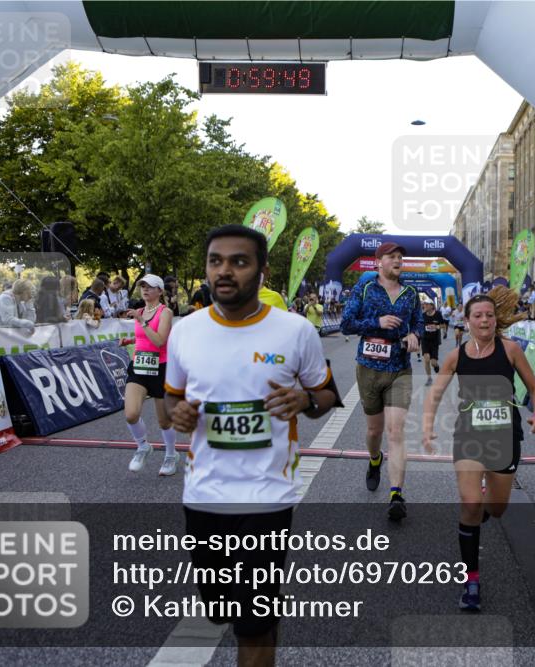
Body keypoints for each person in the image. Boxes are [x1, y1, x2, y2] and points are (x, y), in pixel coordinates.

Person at [166, 225, 340, 667]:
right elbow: (170, 402)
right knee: (221, 609)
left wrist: (304, 401)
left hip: (267, 496)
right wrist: (178, 414)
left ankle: (262, 629)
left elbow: (327, 394)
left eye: (239, 262)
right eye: (216, 261)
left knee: (252, 624)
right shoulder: (186, 331)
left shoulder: (295, 331)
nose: (224, 271)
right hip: (204, 495)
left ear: (262, 271)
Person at [422, 293, 535, 612]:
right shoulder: (456, 356)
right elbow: (435, 393)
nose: (484, 320)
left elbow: (534, 388)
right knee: (470, 504)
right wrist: (427, 427)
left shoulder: (511, 350)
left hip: (505, 436)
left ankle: (486, 508)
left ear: (495, 318)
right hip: (469, 435)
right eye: (477, 315)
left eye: (489, 315)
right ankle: (471, 581)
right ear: (467, 321)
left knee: (497, 508)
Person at [340, 241, 422, 520]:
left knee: (395, 431)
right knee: (374, 431)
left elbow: (418, 323)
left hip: (400, 369)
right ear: (379, 262)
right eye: (392, 257)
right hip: (369, 369)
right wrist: (377, 322)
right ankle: (375, 459)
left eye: (400, 257)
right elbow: (346, 324)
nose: (398, 261)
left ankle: (396, 494)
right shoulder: (364, 288)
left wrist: (415, 336)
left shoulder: (411, 293)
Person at [124, 274, 179, 477]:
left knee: (164, 421)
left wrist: (141, 321)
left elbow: (159, 341)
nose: (145, 289)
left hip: (161, 368)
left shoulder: (165, 312)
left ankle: (171, 455)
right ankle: (143, 446)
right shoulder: (140, 311)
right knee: (131, 414)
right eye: (142, 286)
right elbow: (143, 338)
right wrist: (130, 341)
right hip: (139, 366)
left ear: (160, 291)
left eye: (150, 286)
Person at [420, 300, 445, 385]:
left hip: (434, 341)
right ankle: (429, 378)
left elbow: (443, 325)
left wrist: (436, 326)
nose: (425, 306)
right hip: (425, 340)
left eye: (426, 304)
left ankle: (436, 366)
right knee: (426, 359)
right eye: (424, 304)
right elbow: (419, 325)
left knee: (433, 362)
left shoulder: (438, 314)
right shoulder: (422, 315)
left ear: (432, 306)